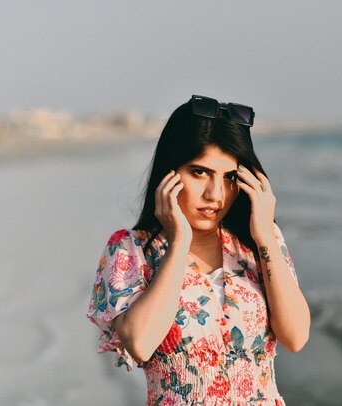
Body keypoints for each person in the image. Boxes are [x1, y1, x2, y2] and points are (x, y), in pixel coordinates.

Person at [87, 94, 310, 405]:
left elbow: (296, 336)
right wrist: (179, 242)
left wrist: (265, 238)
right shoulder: (130, 250)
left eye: (229, 177)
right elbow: (140, 343)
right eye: (200, 172)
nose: (215, 194)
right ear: (170, 173)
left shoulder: (258, 243)